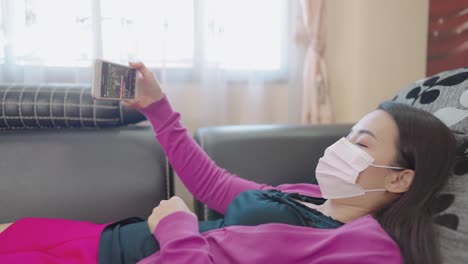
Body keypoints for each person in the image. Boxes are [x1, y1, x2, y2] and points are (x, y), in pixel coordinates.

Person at [0, 62, 456, 264]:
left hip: (138, 253)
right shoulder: (314, 197)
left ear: (399, 177)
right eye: (348, 133)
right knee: (15, 231)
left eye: (362, 141)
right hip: (112, 238)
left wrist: (177, 229)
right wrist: (158, 108)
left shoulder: (368, 251)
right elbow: (214, 184)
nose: (342, 146)